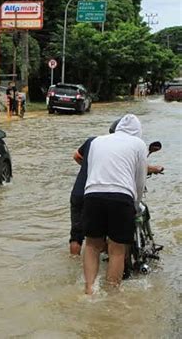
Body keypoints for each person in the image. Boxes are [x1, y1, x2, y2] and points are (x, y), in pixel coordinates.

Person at [70, 119, 163, 256]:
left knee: (77, 236)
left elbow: (76, 156)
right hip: (107, 194)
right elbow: (138, 168)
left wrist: (92, 167)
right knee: (114, 237)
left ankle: (75, 268)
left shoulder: (95, 142)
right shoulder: (128, 145)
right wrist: (154, 169)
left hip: (81, 193)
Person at [82, 114, 148, 294]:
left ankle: (89, 291)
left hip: (92, 194)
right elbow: (140, 180)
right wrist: (135, 204)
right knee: (117, 250)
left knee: (92, 245)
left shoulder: (97, 141)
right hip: (121, 197)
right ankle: (111, 294)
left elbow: (91, 168)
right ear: (138, 132)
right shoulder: (138, 145)